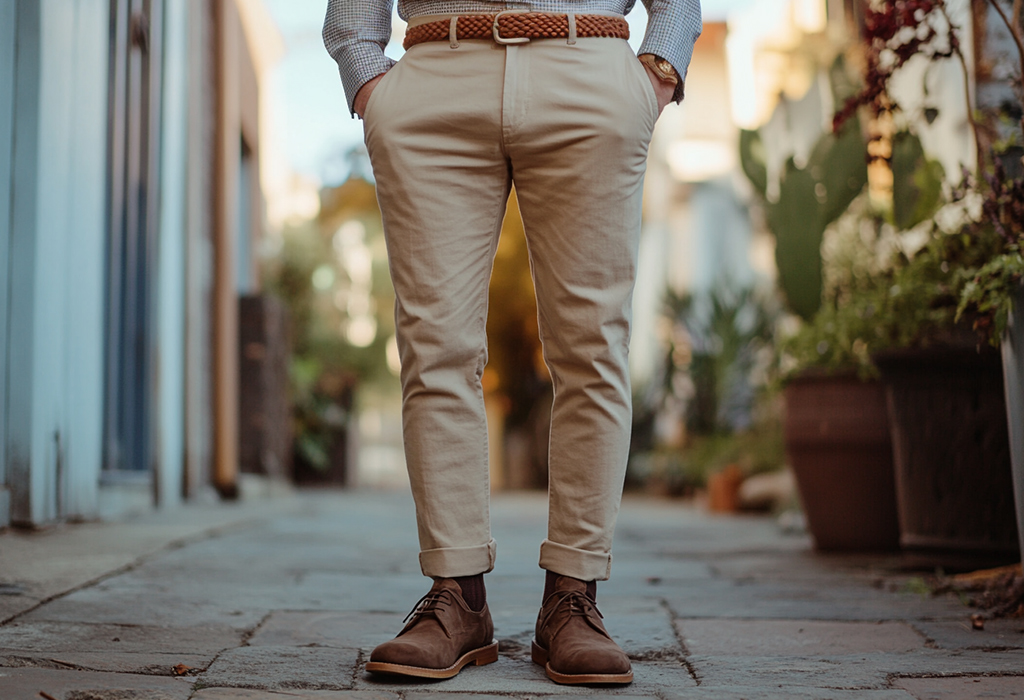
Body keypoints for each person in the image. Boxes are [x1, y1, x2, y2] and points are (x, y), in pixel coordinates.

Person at [323, 0, 701, 686]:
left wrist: (661, 66)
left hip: (588, 65)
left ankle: (574, 599)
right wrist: (365, 71)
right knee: (434, 348)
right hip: (435, 71)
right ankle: (456, 599)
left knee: (592, 350)